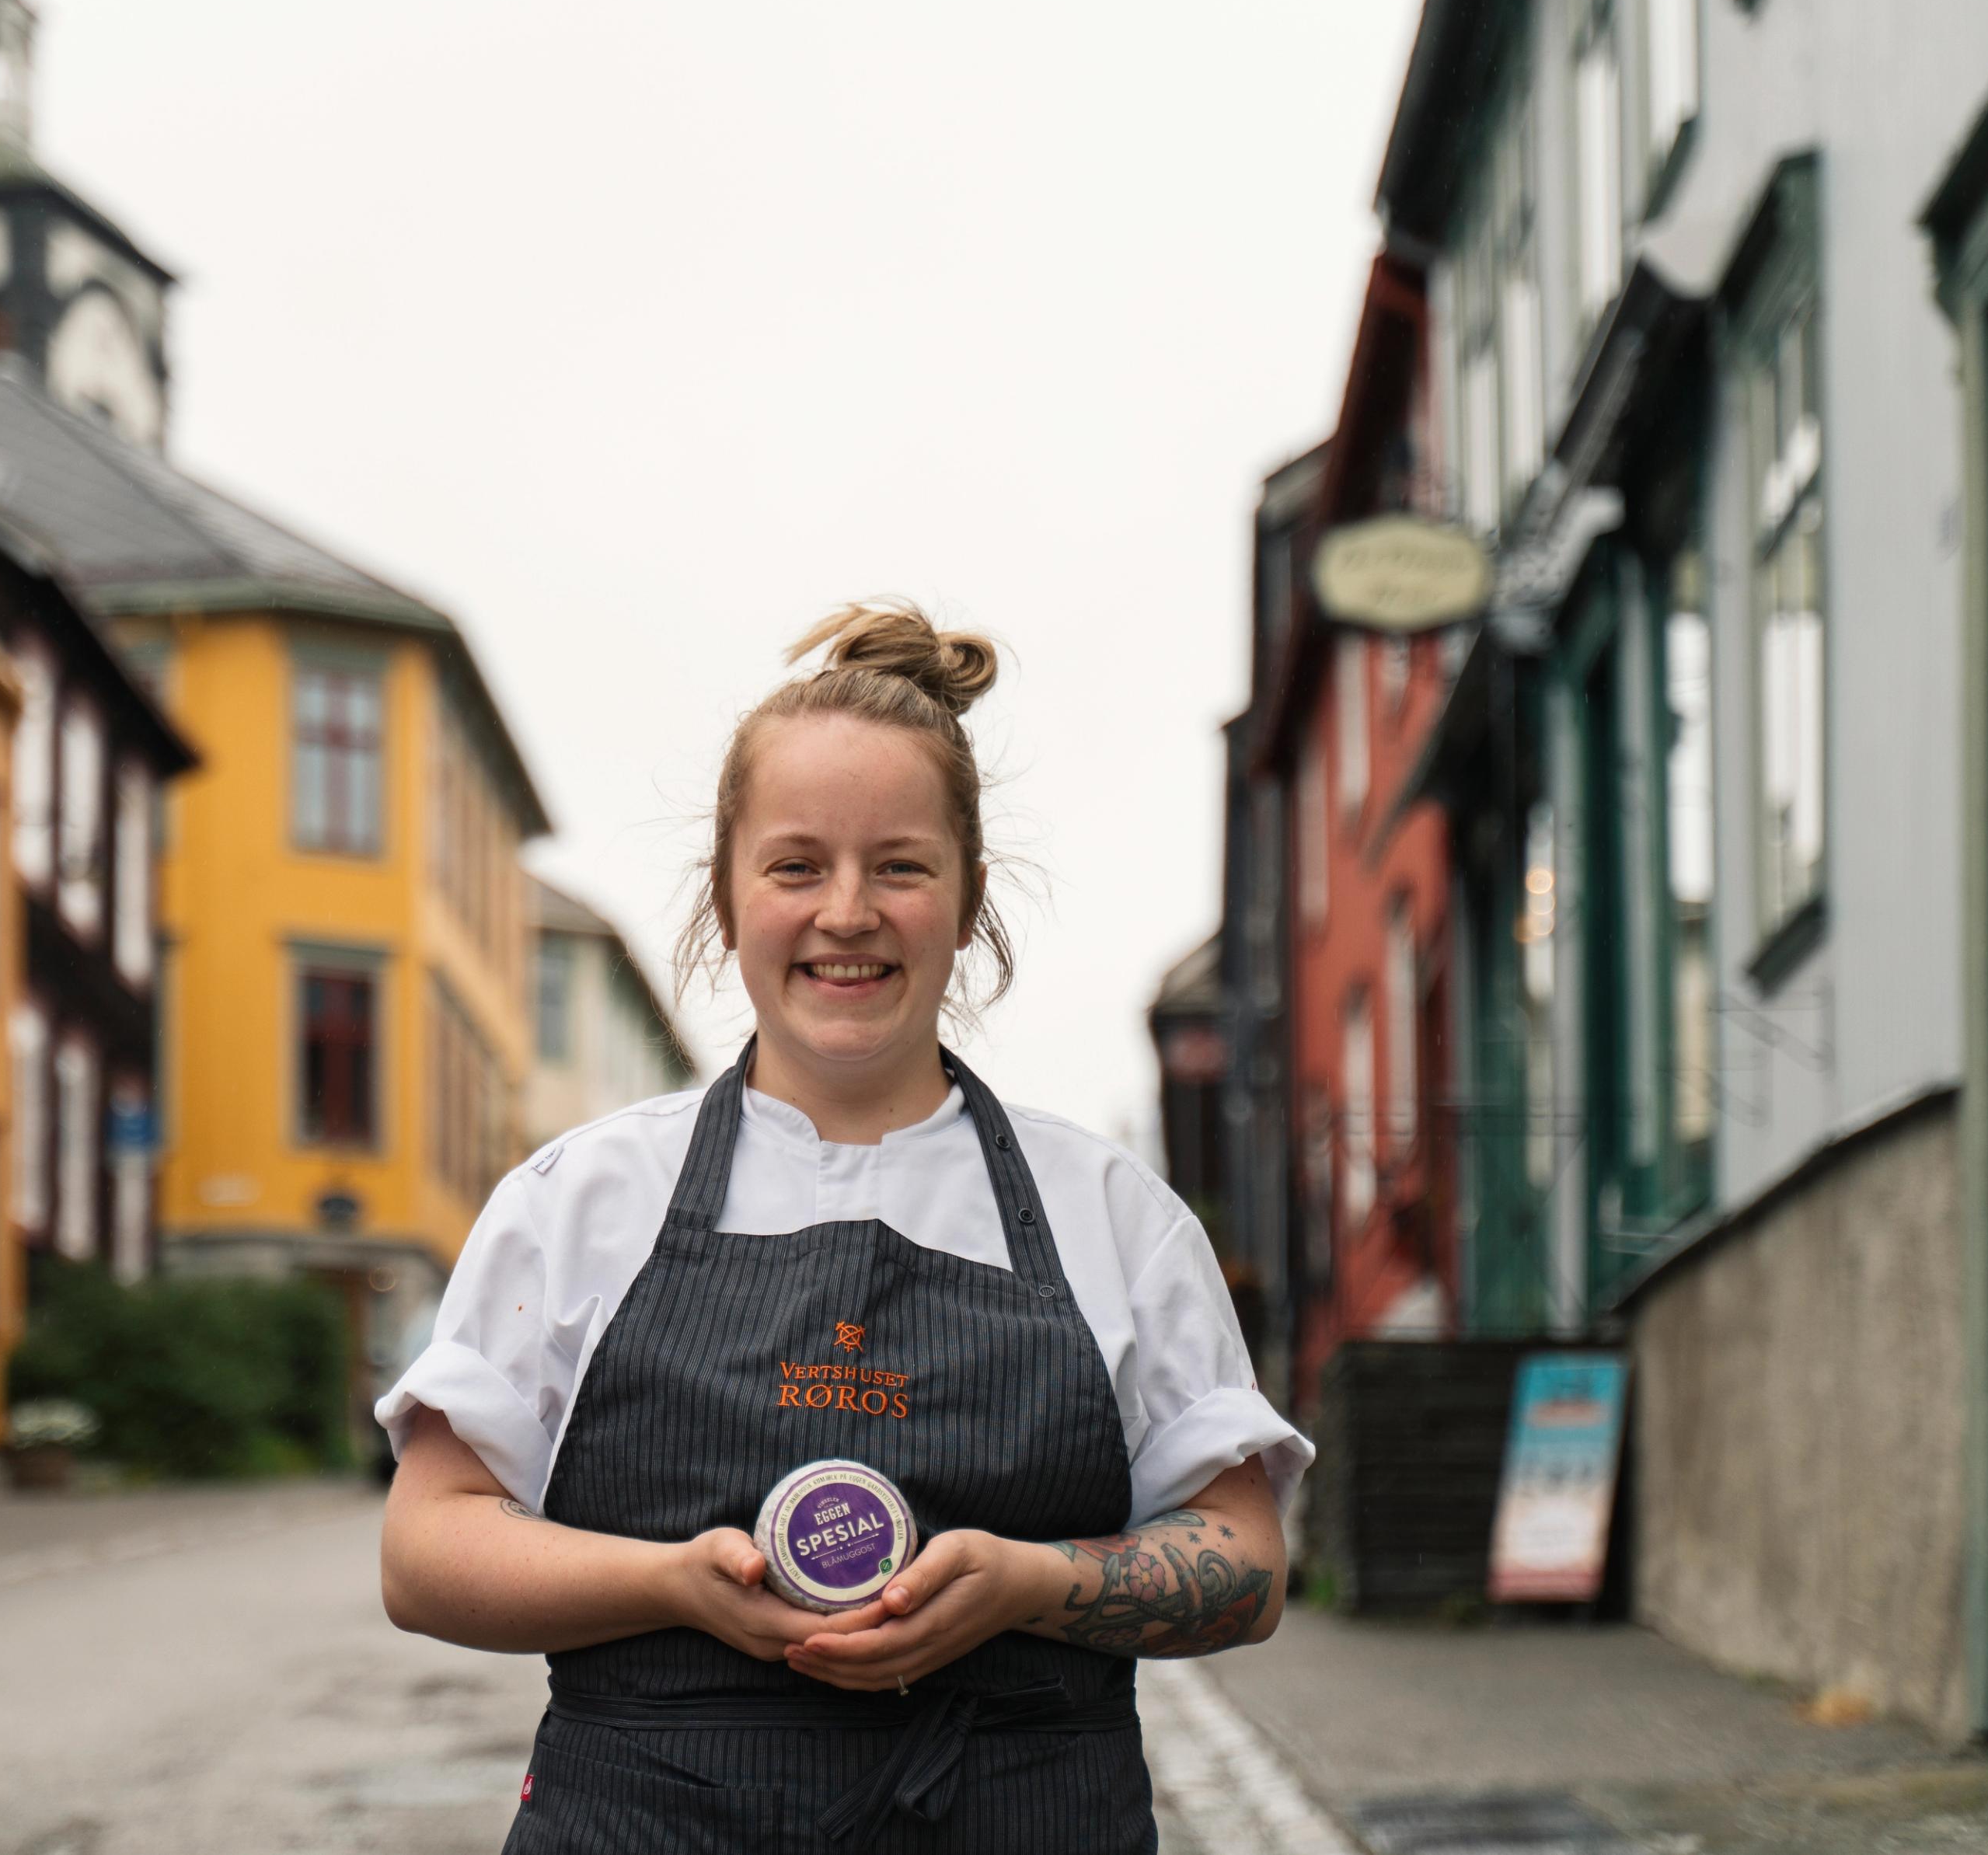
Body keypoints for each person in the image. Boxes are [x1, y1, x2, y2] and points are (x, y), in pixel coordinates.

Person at [377, 603, 1311, 1852]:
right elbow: (426, 1550)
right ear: (727, 893)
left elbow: (1246, 1559)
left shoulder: (1115, 1214)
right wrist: (671, 1584)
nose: (849, 911)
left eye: (903, 866)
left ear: (970, 896)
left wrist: (1033, 1585)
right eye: (798, 864)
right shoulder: (580, 1197)